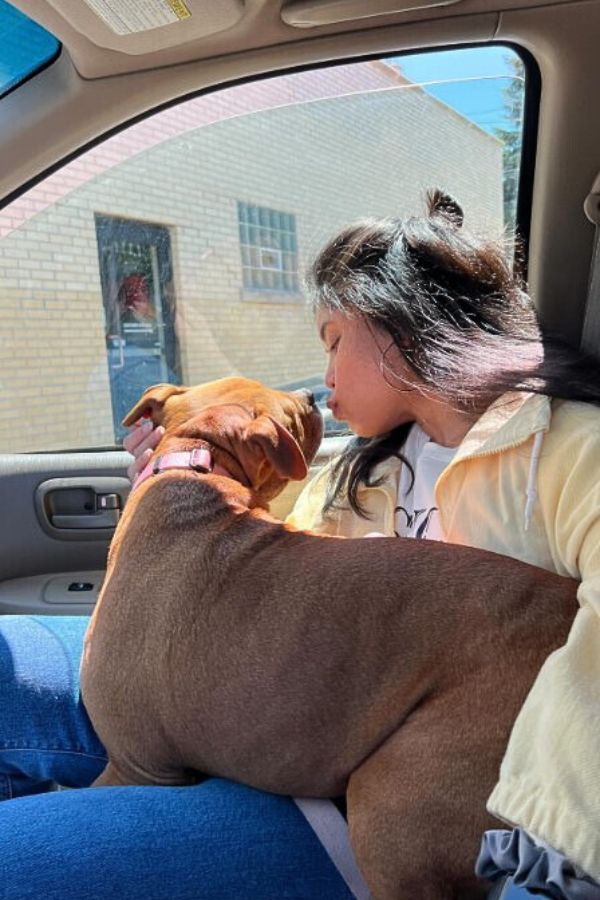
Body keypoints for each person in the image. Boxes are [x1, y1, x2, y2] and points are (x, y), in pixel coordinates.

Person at [2, 190, 599, 899]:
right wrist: (177, 469)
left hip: (365, 792)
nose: (325, 379)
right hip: (249, 696)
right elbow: (266, 558)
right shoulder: (377, 463)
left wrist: (557, 867)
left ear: (397, 327)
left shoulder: (564, 450)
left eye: (332, 341)